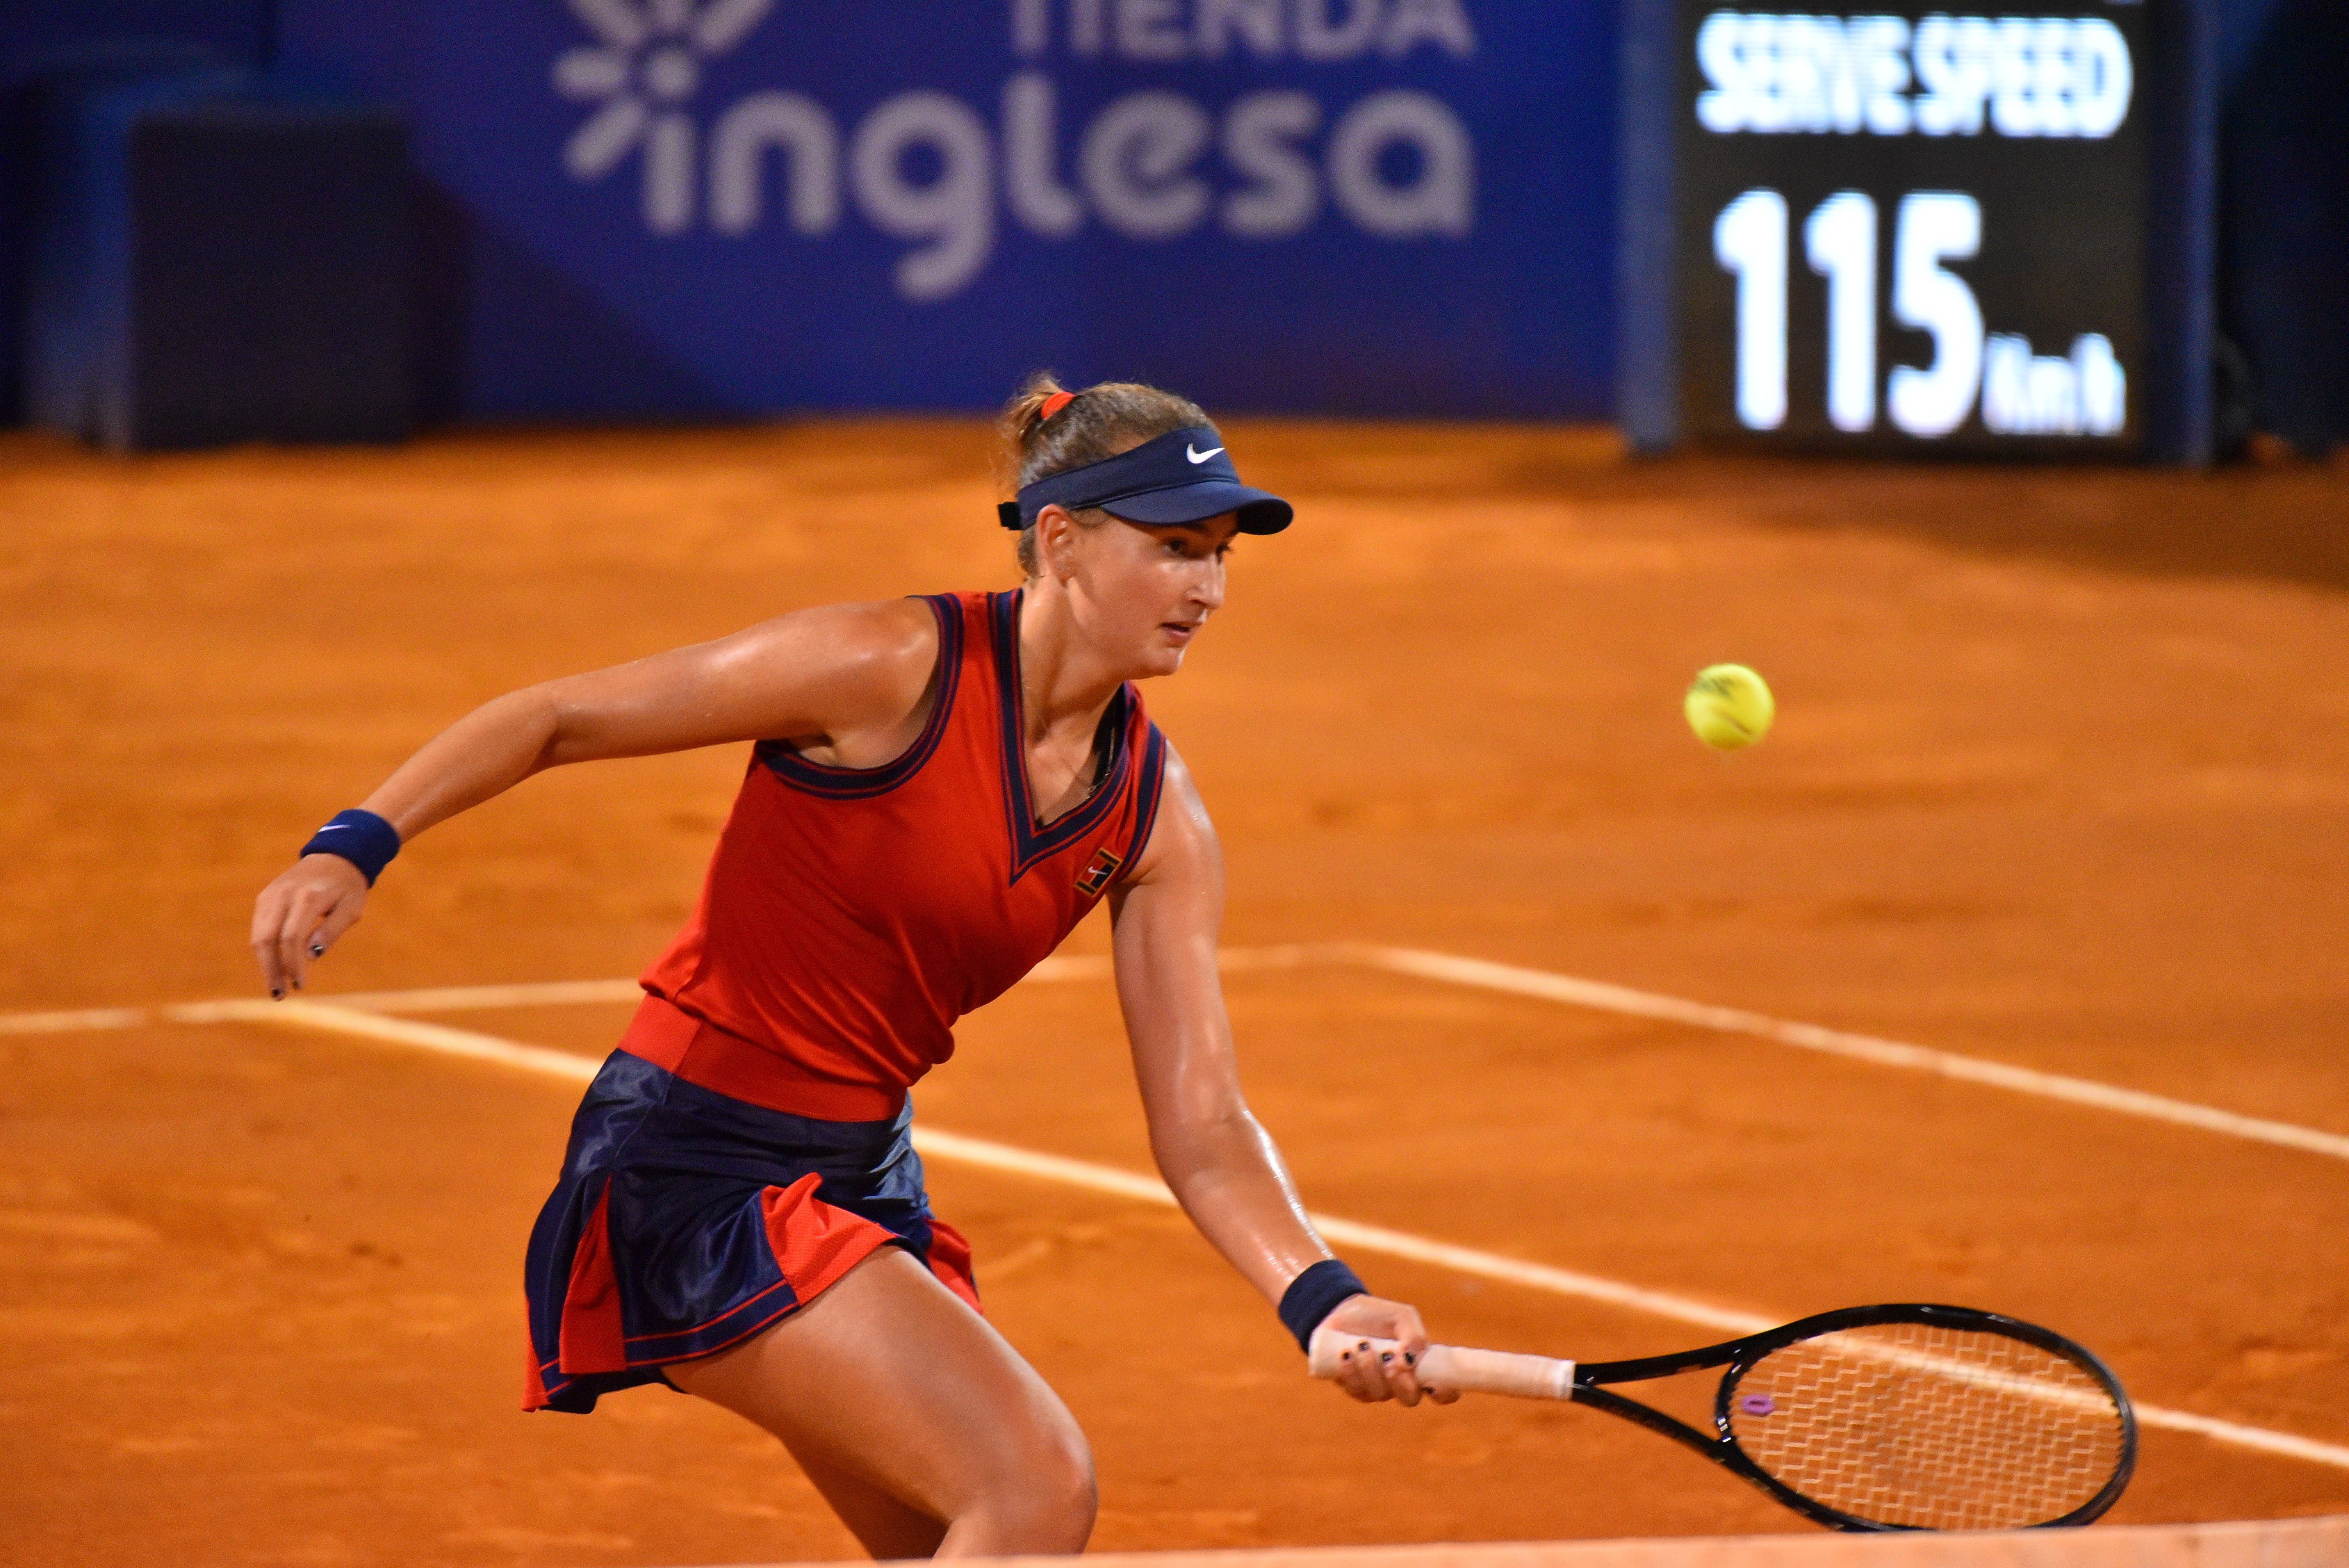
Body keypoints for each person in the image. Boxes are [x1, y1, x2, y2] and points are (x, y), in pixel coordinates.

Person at [249, 375, 1454, 1559]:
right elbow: (560, 716)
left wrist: (1319, 1292)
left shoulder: (1156, 817)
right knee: (1032, 1490)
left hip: (860, 1178)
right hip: (693, 1163)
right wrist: (355, 844)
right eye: (1178, 548)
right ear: (1062, 539)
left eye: (1223, 554)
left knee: (949, 1534)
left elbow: (1205, 1125)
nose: (1210, 588)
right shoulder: (885, 667)